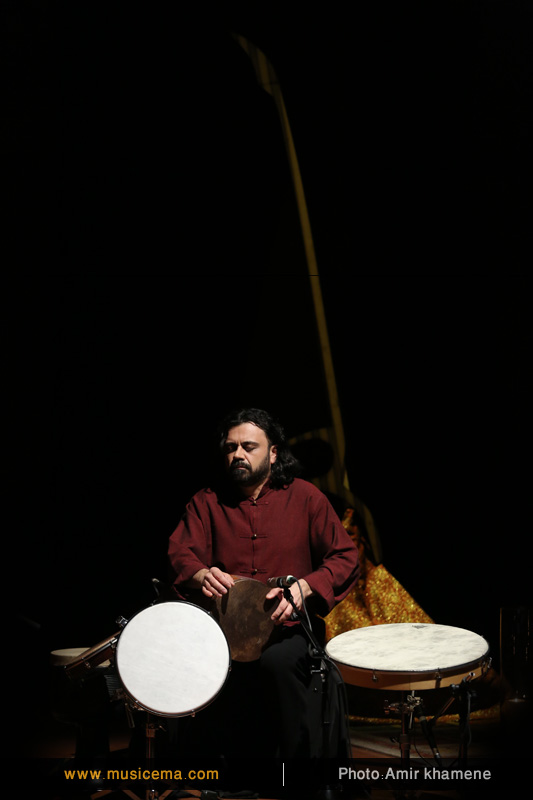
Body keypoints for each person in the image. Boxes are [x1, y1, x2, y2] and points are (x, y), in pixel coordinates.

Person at [167, 407, 360, 761]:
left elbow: (345, 557)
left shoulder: (305, 497)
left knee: (277, 663)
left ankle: (292, 774)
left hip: (288, 630)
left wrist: (304, 587)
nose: (237, 454)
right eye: (231, 447)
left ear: (272, 453)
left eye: (248, 446)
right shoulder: (206, 502)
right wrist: (201, 574)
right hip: (224, 633)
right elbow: (180, 554)